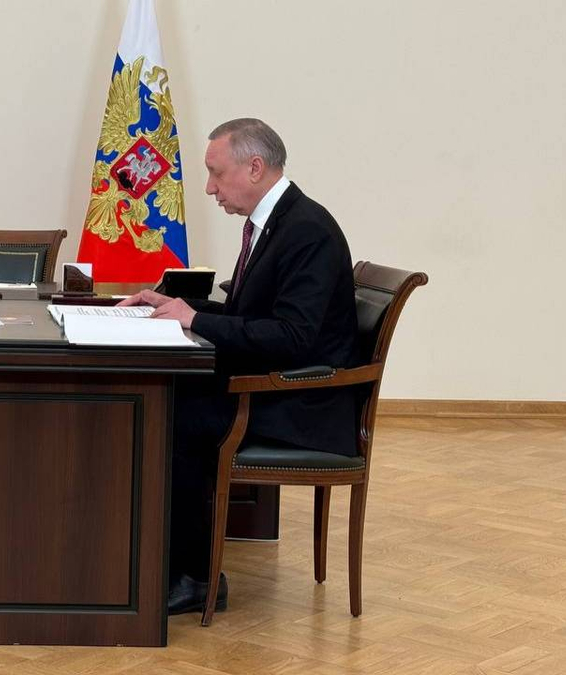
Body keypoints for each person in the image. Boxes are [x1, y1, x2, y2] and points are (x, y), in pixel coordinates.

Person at [121, 118, 359, 615]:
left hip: (303, 402)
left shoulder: (308, 231)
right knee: (168, 398)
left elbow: (292, 337)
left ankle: (194, 576)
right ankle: (156, 556)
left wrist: (194, 319)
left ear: (254, 167)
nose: (210, 188)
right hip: (274, 386)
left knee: (174, 414)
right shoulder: (277, 222)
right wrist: (177, 306)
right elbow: (252, 316)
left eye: (216, 173)